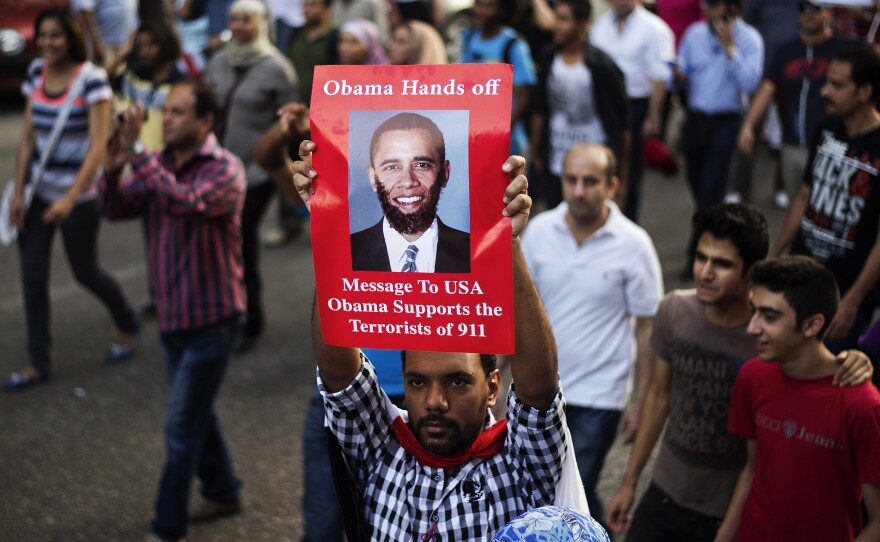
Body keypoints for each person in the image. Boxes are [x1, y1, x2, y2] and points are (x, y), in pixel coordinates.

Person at [291, 137, 570, 540]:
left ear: (493, 386)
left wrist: (506, 239)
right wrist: (328, 221)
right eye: (417, 382)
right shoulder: (383, 449)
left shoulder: (519, 464)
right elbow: (340, 377)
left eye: (457, 381)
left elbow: (539, 389)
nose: (434, 403)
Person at [604, 203, 873, 541]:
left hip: (728, 509)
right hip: (664, 494)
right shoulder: (674, 311)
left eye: (723, 264)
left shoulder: (773, 340)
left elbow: (812, 367)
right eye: (701, 258)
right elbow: (659, 397)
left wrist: (853, 362)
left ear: (752, 270)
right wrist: (629, 482)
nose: (704, 272)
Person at [98, 80, 247, 542]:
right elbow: (118, 208)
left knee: (180, 425)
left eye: (179, 112)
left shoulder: (224, 169)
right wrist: (112, 167)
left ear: (205, 121)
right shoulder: (159, 162)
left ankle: (167, 528)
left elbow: (186, 203)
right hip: (172, 317)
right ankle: (223, 490)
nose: (169, 119)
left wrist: (139, 149)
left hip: (214, 321)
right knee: (198, 412)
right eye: (170, 111)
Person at [522, 143, 663, 529]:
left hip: (600, 396)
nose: (579, 190)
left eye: (590, 181)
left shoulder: (635, 245)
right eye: (571, 180)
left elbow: (649, 325)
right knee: (550, 491)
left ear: (613, 185)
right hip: (539, 390)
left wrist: (638, 402)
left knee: (569, 492)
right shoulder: (538, 232)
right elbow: (518, 309)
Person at [4, 8, 139, 392]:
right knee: (32, 277)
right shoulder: (36, 73)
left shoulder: (92, 80)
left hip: (79, 197)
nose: (47, 43)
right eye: (42, 36)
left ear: (72, 38)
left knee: (85, 271)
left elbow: (98, 146)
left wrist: (71, 197)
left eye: (55, 37)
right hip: (37, 192)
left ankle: (127, 322)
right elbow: (28, 136)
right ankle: (37, 362)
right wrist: (18, 190)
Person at [716, 255, 880, 541]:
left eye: (769, 316)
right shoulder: (752, 377)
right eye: (753, 312)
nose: (752, 327)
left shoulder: (862, 405)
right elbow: (752, 471)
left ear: (812, 324)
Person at [769, 45, 880, 354]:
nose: (825, 91)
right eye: (827, 81)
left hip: (843, 300)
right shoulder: (826, 128)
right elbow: (804, 197)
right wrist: (775, 256)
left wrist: (853, 301)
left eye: (837, 85)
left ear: (865, 91)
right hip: (799, 283)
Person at [206, 0, 298, 353]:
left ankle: (251, 322)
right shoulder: (218, 61)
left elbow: (289, 124)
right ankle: (224, 310)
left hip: (258, 171)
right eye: (234, 18)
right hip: (220, 167)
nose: (240, 25)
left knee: (243, 241)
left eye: (247, 19)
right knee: (220, 243)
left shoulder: (277, 68)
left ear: (261, 23)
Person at [737, 0, 858, 201]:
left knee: (825, 208)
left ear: (827, 11)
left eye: (816, 8)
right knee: (797, 205)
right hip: (792, 144)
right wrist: (748, 125)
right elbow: (768, 87)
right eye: (803, 9)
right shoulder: (786, 50)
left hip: (832, 146)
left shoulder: (844, 48)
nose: (809, 14)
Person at [676, 0, 763, 269]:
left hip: (726, 121)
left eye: (716, 7)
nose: (709, 12)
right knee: (696, 181)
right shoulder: (694, 34)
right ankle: (708, 227)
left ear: (733, 10)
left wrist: (730, 50)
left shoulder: (750, 39)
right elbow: (683, 70)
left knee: (710, 190)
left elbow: (750, 82)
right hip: (695, 119)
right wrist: (678, 77)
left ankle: (698, 251)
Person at [531, 0, 629, 210]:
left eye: (564, 19)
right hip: (556, 158)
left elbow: (622, 124)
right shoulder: (548, 58)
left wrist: (622, 173)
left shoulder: (602, 66)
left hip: (593, 160)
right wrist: (536, 150)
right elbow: (540, 108)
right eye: (556, 17)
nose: (556, 24)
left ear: (583, 23)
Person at [351, 112, 470, 273]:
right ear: (373, 178)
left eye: (421, 165)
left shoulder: (476, 252)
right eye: (392, 167)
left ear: (444, 174)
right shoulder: (347, 252)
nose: (407, 181)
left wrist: (510, 241)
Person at [591, 0, 674, 222]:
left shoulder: (655, 29)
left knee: (629, 169)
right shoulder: (601, 26)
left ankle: (626, 221)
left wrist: (653, 117)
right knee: (602, 164)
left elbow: (659, 79)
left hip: (635, 106)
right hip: (604, 106)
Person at [459, 0, 537, 157]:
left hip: (508, 145)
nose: (480, 10)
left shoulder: (514, 45)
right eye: (479, 4)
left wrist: (499, 131)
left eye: (489, 6)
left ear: (502, 10)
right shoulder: (469, 37)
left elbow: (523, 98)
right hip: (473, 137)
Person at [72, 0, 138, 68]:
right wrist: (96, 43)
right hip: (105, 45)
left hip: (127, 43)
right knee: (104, 74)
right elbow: (85, 8)